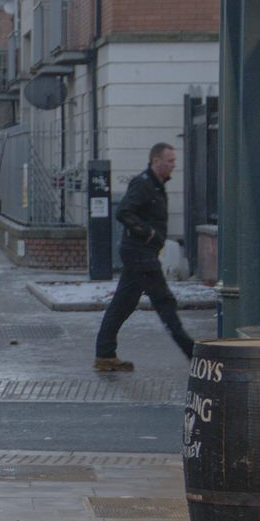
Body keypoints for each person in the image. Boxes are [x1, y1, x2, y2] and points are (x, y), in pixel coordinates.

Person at [93, 142, 195, 372]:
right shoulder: (143, 184)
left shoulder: (157, 186)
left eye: (173, 161)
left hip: (141, 253)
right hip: (139, 254)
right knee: (164, 301)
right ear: (155, 161)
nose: (173, 165)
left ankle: (104, 354)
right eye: (169, 161)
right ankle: (192, 352)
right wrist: (147, 232)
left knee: (123, 303)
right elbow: (124, 212)